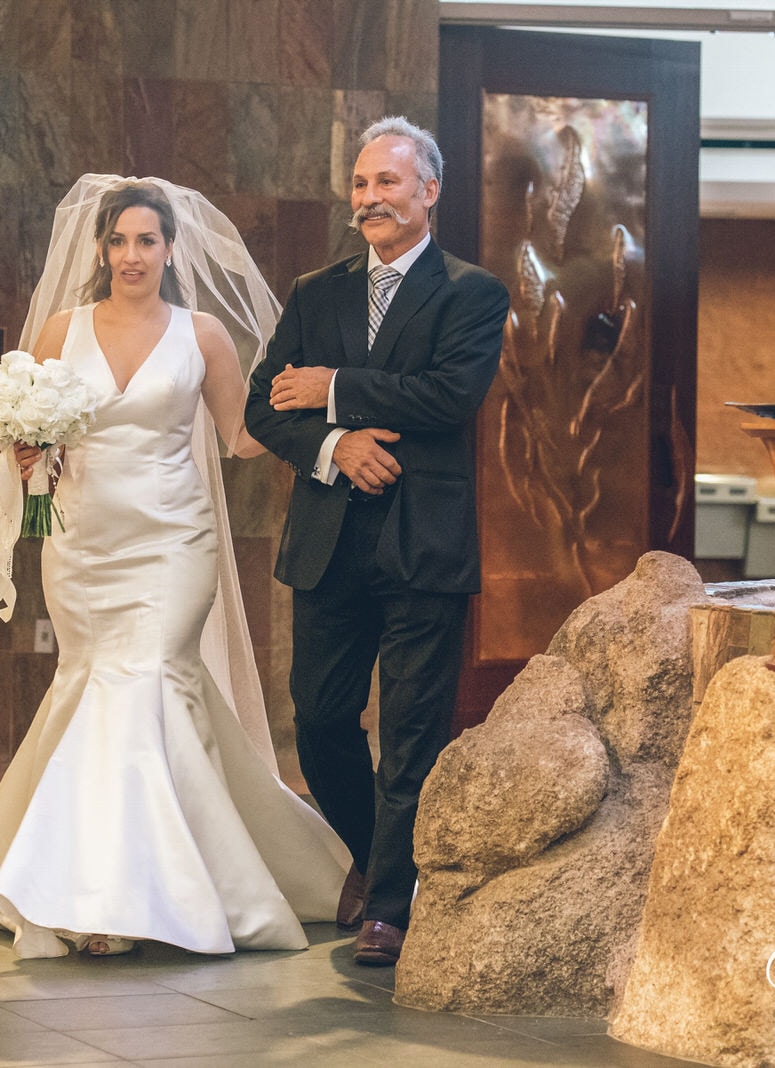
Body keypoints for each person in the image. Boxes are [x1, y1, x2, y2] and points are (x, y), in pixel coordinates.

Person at [0, 176, 350, 958]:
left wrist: (318, 406)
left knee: (146, 682)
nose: (132, 255)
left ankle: (131, 897)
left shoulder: (201, 334)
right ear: (101, 249)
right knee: (97, 692)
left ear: (171, 249)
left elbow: (241, 437)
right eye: (119, 241)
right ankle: (93, 889)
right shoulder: (59, 332)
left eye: (147, 240)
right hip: (82, 546)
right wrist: (30, 469)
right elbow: (30, 450)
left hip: (176, 545)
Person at [244, 117, 509, 966]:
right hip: (329, 540)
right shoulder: (315, 291)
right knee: (320, 718)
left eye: (388, 184)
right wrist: (336, 443)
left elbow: (447, 397)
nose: (370, 200)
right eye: (361, 185)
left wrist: (333, 387)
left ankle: (390, 906)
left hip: (422, 544)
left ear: (429, 192)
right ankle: (372, 854)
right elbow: (261, 407)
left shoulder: (472, 293)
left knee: (411, 733)